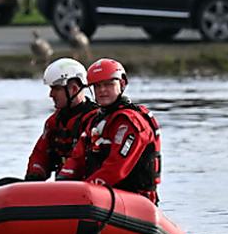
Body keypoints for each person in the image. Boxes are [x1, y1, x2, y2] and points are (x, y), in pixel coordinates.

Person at [58, 58, 161, 205]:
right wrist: (62, 182)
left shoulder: (131, 123)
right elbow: (77, 158)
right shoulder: (96, 120)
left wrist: (84, 192)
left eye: (108, 84)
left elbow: (116, 169)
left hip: (134, 202)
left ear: (122, 84)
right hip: (102, 198)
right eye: (97, 86)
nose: (102, 90)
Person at [24, 58, 99, 181]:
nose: (51, 94)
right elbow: (40, 154)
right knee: (4, 182)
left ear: (74, 89)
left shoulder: (95, 121)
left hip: (88, 187)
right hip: (63, 187)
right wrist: (34, 176)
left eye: (56, 89)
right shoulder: (54, 122)